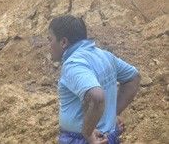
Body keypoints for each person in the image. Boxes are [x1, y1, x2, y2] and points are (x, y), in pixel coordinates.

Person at [48, 15, 140, 144]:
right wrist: (112, 114)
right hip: (107, 136)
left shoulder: (73, 64)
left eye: (50, 39)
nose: (49, 45)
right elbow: (133, 77)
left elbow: (96, 96)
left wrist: (88, 133)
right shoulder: (104, 55)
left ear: (63, 42)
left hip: (81, 139)